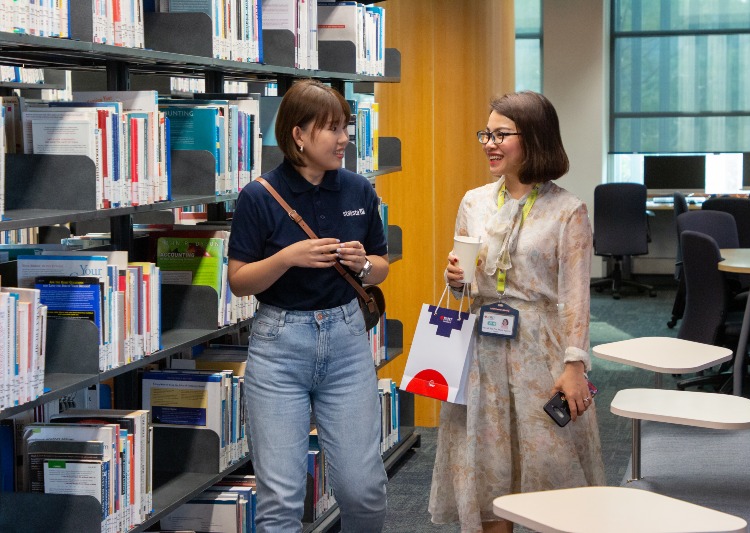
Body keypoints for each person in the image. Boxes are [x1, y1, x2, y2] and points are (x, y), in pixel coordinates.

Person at [428, 91, 606, 533]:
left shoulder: (568, 211)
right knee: (489, 469)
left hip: (539, 352)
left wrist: (574, 366)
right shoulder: (474, 203)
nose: (489, 142)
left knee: (551, 468)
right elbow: (466, 283)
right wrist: (456, 279)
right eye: (486, 133)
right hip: (482, 352)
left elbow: (576, 298)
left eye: (501, 134)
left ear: (535, 138)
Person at [227, 79, 389, 532]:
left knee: (363, 488)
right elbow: (239, 282)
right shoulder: (258, 196)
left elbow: (381, 267)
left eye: (346, 129)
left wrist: (364, 264)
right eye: (332, 129)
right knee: (280, 498)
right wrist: (285, 259)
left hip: (346, 342)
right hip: (280, 345)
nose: (343, 140)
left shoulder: (359, 190)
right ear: (298, 135)